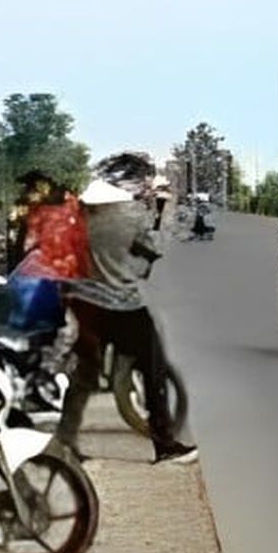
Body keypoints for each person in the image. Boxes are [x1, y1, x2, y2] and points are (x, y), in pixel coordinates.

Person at [56, 164, 196, 465]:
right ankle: (164, 443)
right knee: (153, 368)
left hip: (85, 305)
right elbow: (153, 249)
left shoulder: (78, 221)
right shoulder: (128, 217)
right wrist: (161, 213)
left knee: (83, 375)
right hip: (123, 306)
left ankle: (64, 442)